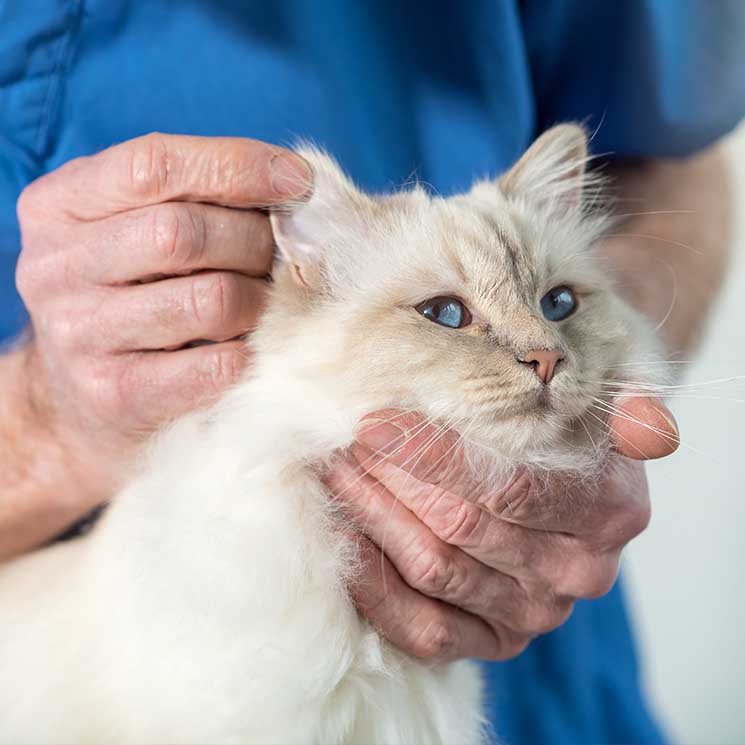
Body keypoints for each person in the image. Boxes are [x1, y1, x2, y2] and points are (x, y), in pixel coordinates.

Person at [0, 2, 742, 742]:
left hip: (555, 673)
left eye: (554, 303)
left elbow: (670, 150)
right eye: (448, 313)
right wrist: (40, 424)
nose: (538, 350)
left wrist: (622, 382)